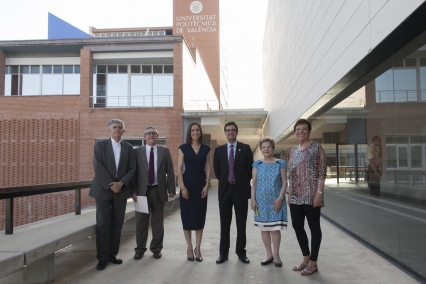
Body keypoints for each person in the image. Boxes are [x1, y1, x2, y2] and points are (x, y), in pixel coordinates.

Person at [89, 119, 136, 271]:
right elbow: (98, 166)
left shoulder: (129, 148)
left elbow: (132, 168)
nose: (117, 130)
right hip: (103, 190)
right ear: (109, 130)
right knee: (103, 224)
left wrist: (121, 184)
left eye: (120, 128)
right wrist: (111, 184)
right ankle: (102, 257)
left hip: (121, 191)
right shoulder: (100, 145)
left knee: (117, 223)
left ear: (124, 131)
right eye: (114, 127)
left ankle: (112, 254)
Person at [288, 119, 326, 276]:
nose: (300, 131)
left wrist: (319, 193)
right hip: (296, 196)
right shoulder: (293, 151)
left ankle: (313, 262)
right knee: (297, 226)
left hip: (311, 195)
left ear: (309, 131)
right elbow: (291, 173)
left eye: (304, 129)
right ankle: (306, 257)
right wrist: (290, 192)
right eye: (298, 129)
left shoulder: (316, 147)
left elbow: (322, 171)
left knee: (314, 228)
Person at [132, 126, 175, 260]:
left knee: (157, 222)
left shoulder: (164, 151)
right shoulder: (137, 152)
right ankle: (140, 249)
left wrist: (171, 189)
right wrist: (133, 191)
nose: (151, 135)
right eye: (148, 133)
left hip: (158, 191)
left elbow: (170, 171)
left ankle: (156, 249)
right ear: (144, 137)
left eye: (154, 133)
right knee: (141, 222)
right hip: (141, 193)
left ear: (157, 136)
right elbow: (133, 173)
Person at [213, 121, 253, 264]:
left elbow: (249, 171)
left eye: (233, 130)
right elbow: (217, 171)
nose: (230, 132)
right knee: (225, 224)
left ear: (237, 132)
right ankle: (223, 254)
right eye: (228, 130)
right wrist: (227, 181)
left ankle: (241, 253)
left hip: (240, 191)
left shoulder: (245, 148)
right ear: (225, 132)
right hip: (225, 190)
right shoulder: (219, 150)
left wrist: (241, 182)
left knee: (241, 224)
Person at [250, 137, 287, 267]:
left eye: (269, 147)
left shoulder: (280, 163)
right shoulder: (257, 164)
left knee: (275, 230)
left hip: (276, 202)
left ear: (273, 148)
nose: (266, 149)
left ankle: (276, 255)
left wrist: (280, 197)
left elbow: (284, 182)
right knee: (264, 230)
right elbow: (254, 183)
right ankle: (268, 254)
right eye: (264, 147)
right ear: (261, 149)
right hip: (260, 202)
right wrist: (253, 200)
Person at [177, 122, 211, 262]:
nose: (195, 133)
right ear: (189, 133)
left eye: (197, 130)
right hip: (187, 186)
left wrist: (207, 185)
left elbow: (208, 168)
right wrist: (182, 187)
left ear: (200, 132)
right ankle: (189, 247)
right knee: (187, 219)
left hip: (200, 187)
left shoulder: (206, 148)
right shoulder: (183, 148)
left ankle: (198, 248)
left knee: (199, 219)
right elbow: (179, 168)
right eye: (192, 130)